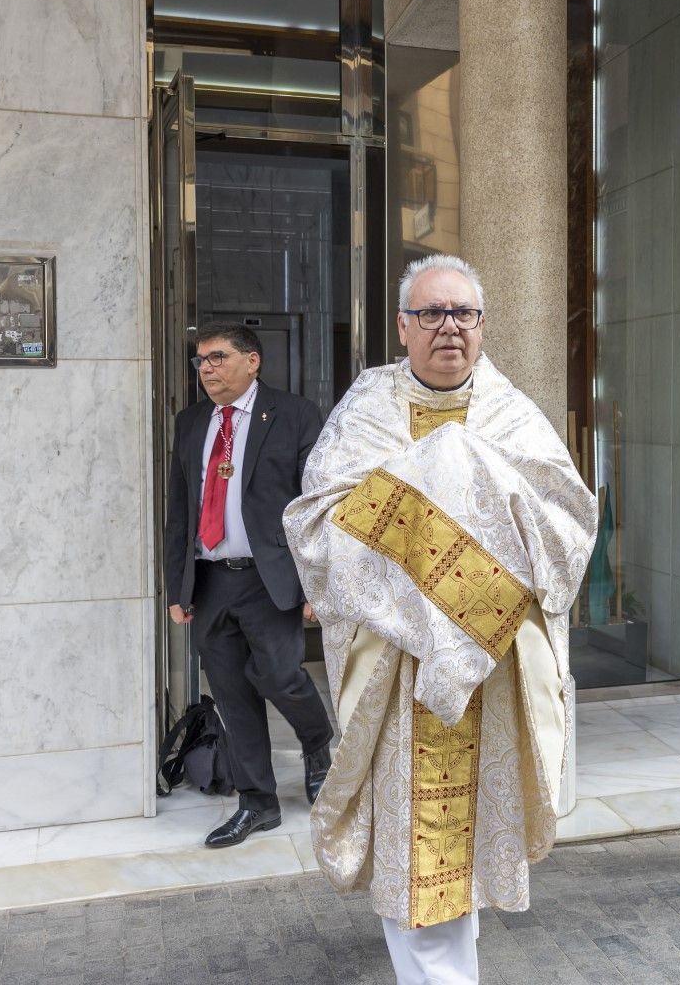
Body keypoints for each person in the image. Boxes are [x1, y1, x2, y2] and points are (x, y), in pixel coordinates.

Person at [283, 255, 597, 984]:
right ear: (403, 326)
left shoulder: (514, 414)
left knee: (469, 846)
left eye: (463, 314)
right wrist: (440, 479)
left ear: (483, 327)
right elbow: (319, 520)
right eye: (431, 313)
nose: (448, 327)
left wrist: (462, 476)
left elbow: (569, 520)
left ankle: (454, 965)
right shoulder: (367, 409)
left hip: (488, 668)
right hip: (402, 670)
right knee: (417, 849)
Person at [163, 323, 333, 848]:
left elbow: (317, 506)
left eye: (217, 357)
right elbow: (180, 508)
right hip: (210, 579)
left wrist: (315, 583)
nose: (207, 369)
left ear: (252, 361)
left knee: (280, 675)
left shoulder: (296, 415)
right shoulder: (191, 422)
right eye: (200, 361)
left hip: (269, 578)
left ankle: (318, 742)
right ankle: (257, 804)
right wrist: (177, 588)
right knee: (233, 695)